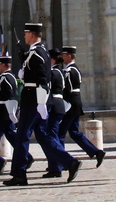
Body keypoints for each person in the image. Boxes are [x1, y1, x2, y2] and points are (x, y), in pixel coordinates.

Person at [3, 23, 81, 187]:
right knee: (43, 136)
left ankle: (19, 174)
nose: (24, 37)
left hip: (33, 100)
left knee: (22, 136)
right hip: (38, 100)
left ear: (31, 34)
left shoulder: (36, 53)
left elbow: (43, 80)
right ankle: (69, 162)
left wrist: (40, 102)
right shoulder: (39, 52)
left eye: (26, 34)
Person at [58, 46, 105, 166]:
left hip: (70, 103)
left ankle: (62, 161)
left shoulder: (68, 71)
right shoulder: (76, 69)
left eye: (64, 55)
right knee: (74, 132)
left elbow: (66, 89)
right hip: (76, 102)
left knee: (60, 133)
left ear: (69, 56)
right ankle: (96, 152)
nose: (62, 57)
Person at [40, 49, 70, 178]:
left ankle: (57, 166)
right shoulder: (60, 72)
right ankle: (56, 165)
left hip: (53, 103)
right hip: (60, 104)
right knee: (54, 135)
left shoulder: (52, 73)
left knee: (51, 137)